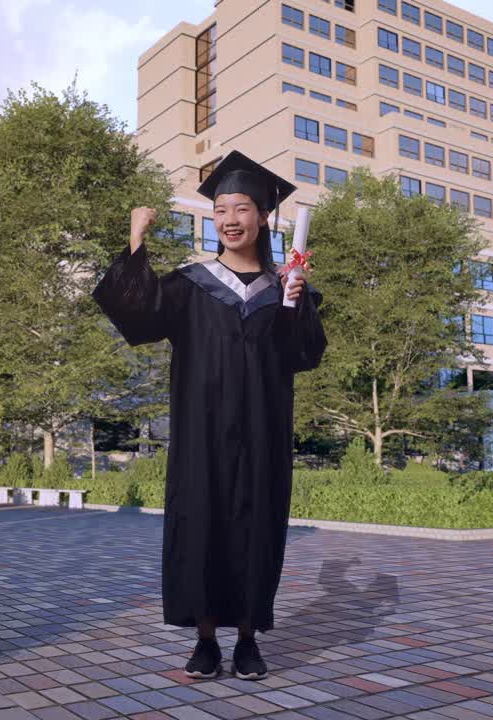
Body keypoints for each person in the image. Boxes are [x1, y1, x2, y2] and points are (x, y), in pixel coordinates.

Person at [92, 151, 327, 680]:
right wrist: (136, 237)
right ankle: (204, 641)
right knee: (199, 525)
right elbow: (138, 310)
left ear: (264, 216)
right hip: (201, 437)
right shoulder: (192, 284)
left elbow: (304, 354)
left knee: (256, 529)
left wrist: (297, 304)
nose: (229, 220)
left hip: (262, 437)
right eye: (220, 210)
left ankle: (247, 640)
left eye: (241, 208)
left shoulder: (285, 286)